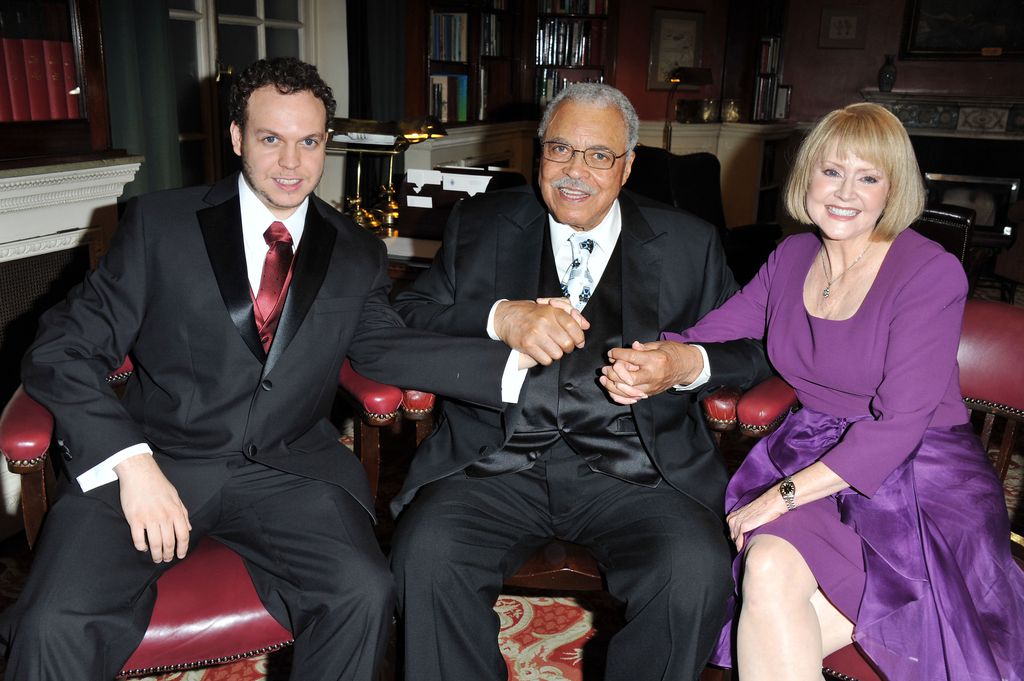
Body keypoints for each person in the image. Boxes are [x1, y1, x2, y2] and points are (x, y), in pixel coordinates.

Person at [0, 57, 520, 681]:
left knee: (363, 592)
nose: (293, 164)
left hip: (289, 470)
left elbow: (385, 347)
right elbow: (60, 348)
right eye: (272, 139)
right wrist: (130, 461)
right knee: (51, 621)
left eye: (310, 142)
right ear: (237, 137)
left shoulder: (356, 250)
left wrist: (511, 360)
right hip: (159, 457)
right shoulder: (159, 226)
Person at [605, 102, 1024, 680]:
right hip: (814, 450)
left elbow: (900, 426)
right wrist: (651, 360)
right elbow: (715, 330)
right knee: (769, 568)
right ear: (806, 178)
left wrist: (780, 496)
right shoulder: (792, 255)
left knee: (765, 595)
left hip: (922, 475)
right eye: (832, 171)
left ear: (892, 190)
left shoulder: (929, 272)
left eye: (869, 177)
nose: (846, 192)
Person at [388, 82, 770, 681]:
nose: (575, 172)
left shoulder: (688, 243)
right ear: (538, 154)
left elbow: (754, 349)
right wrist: (499, 317)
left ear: (627, 167)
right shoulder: (482, 223)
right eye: (560, 150)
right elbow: (406, 319)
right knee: (426, 556)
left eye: (599, 156)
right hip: (496, 462)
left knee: (693, 571)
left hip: (639, 471)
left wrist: (685, 364)